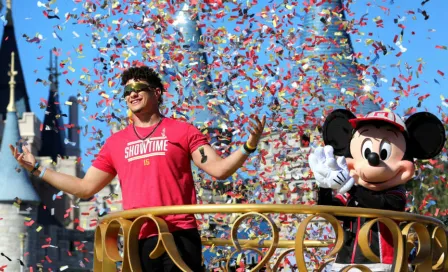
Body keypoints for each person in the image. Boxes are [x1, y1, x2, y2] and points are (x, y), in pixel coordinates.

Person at [10, 66, 266, 272]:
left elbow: (219, 170)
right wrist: (37, 171)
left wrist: (248, 146)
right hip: (139, 236)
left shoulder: (183, 131)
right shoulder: (115, 143)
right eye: (127, 91)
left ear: (156, 93)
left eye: (138, 88)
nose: (131, 94)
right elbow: (85, 187)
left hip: (180, 233)